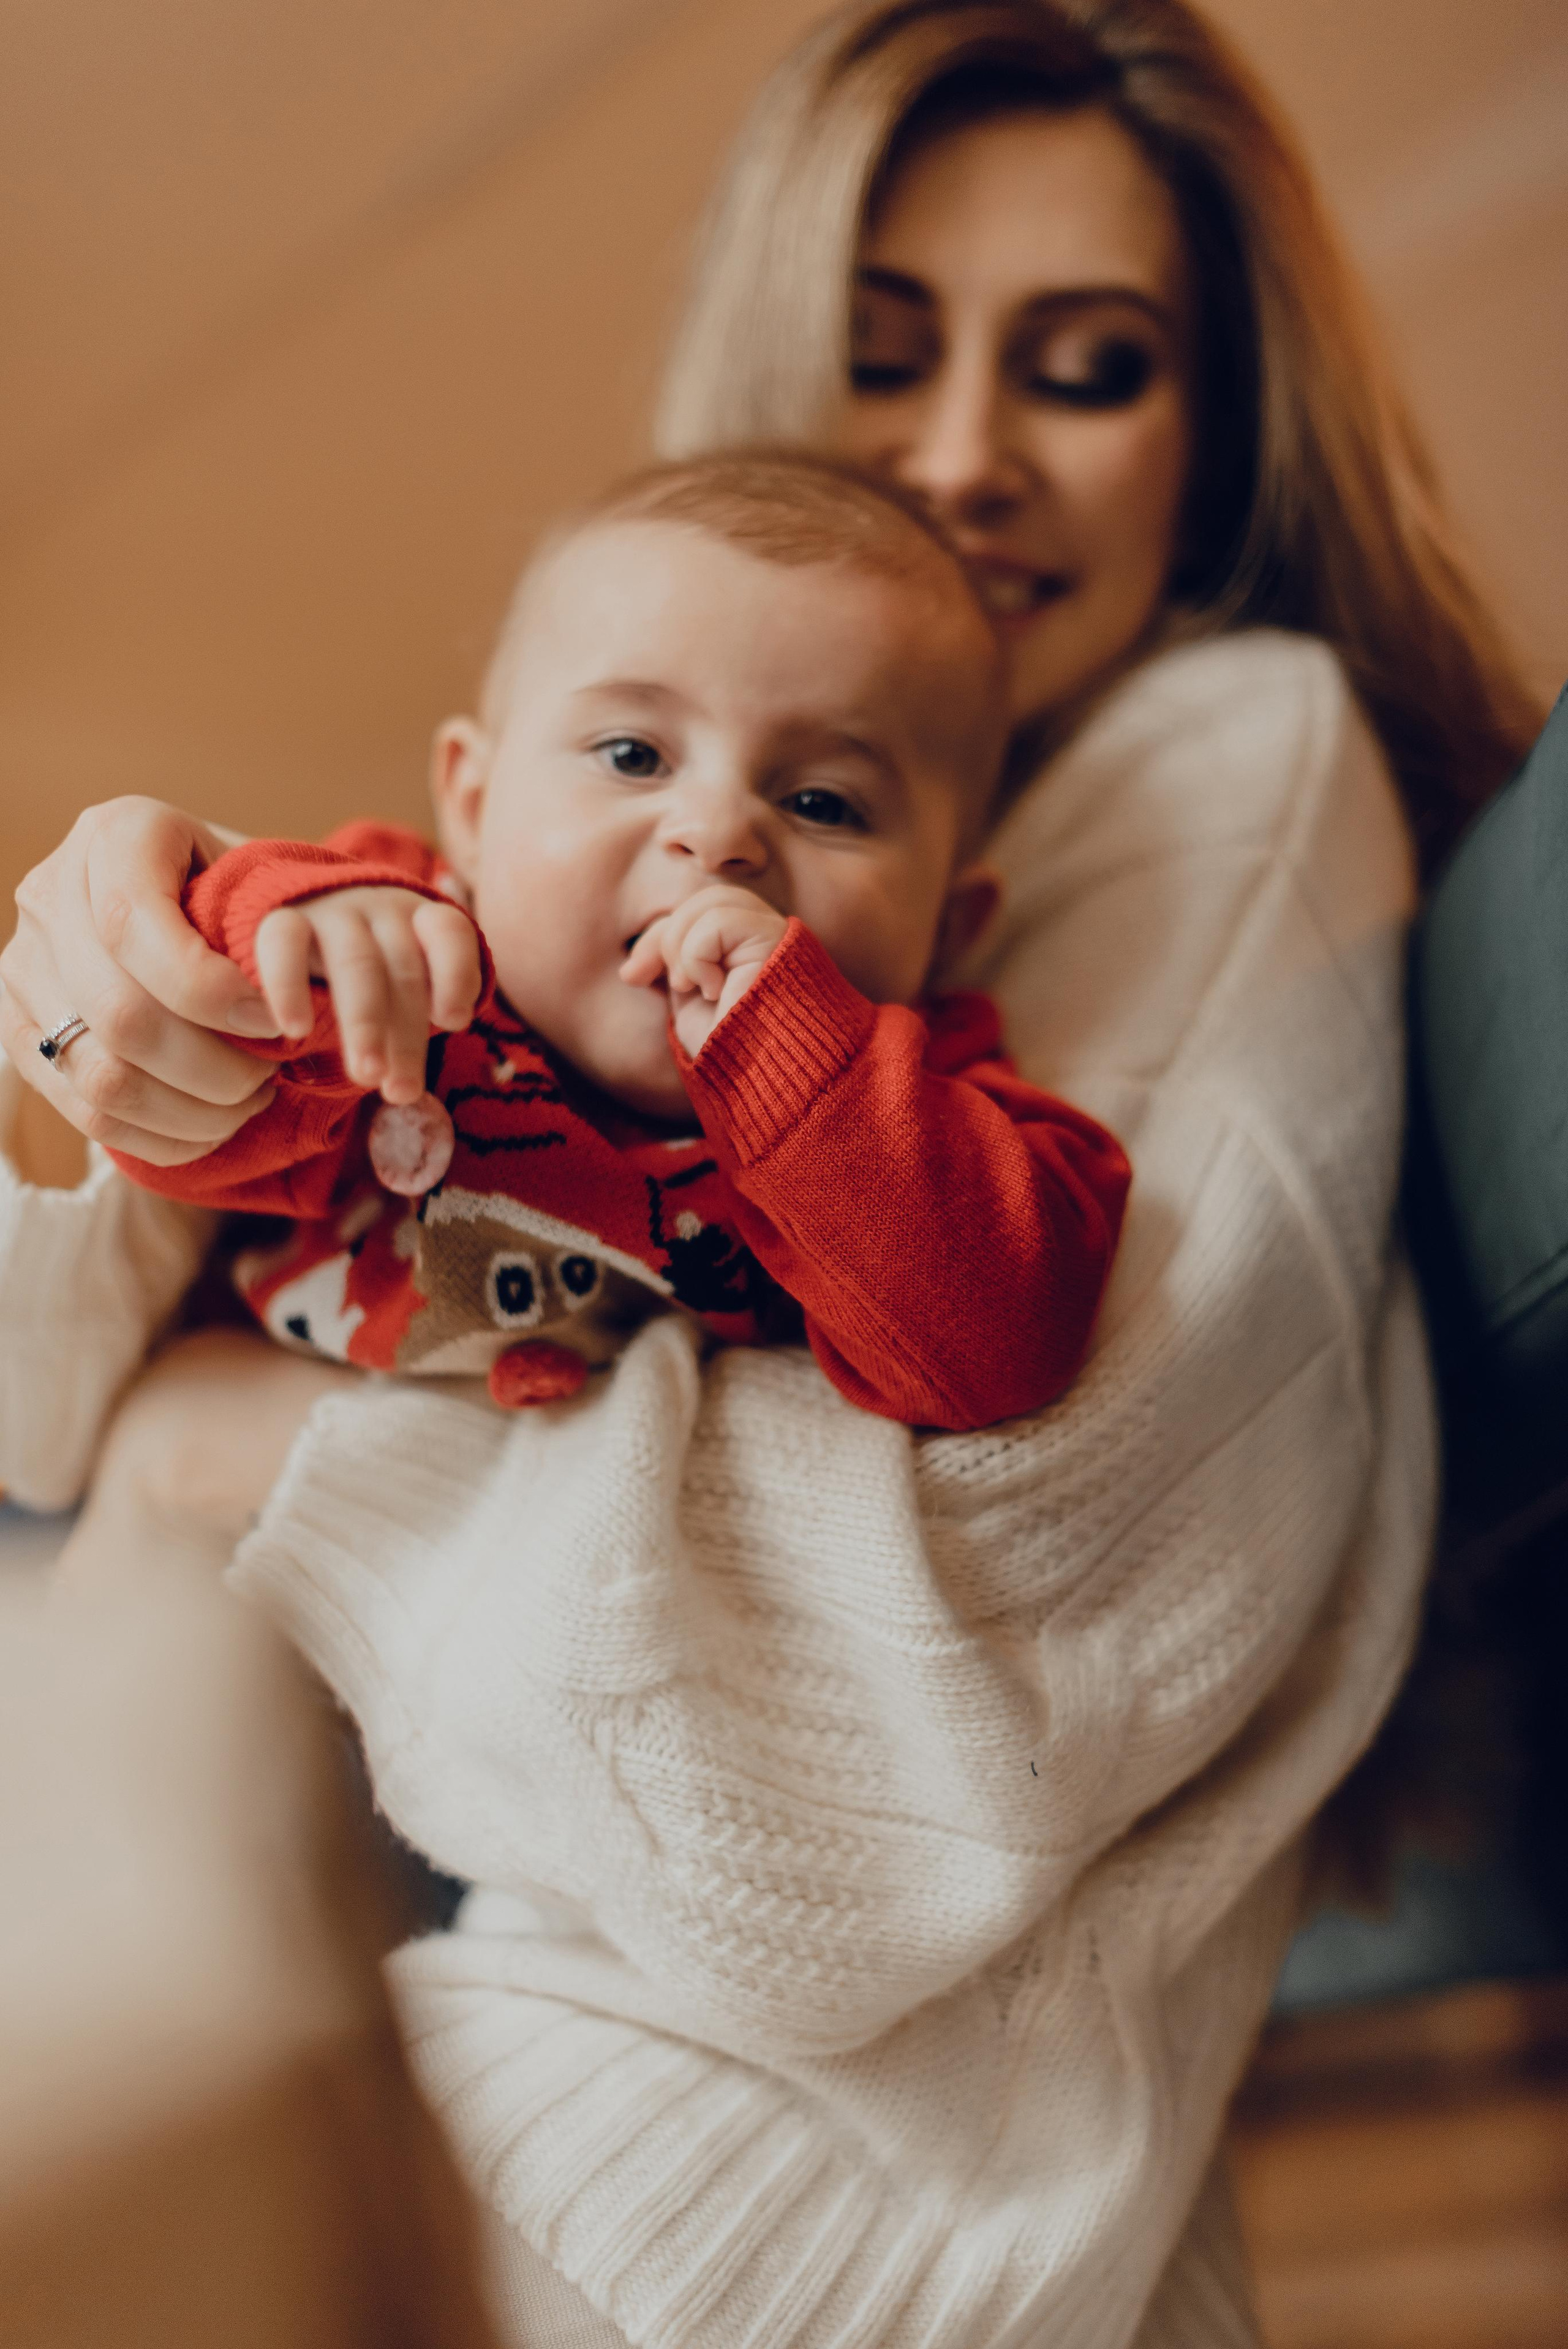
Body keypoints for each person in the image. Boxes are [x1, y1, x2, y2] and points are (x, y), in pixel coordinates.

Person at [0, 4, 1542, 2345]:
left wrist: (248, 1460)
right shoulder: (462, 952)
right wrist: (177, 952)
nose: (965, 457)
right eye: (879, 349)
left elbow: (876, 1688)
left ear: (1223, 441)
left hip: (715, 2203)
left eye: (1088, 368)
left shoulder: (1192, 799)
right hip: (501, 2076)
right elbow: (105, 1321)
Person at [94, 454, 1130, 1435]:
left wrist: (803, 1063)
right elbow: (180, 1120)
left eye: (823, 802)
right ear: (474, 803)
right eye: (634, 754)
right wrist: (266, 953)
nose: (719, 834)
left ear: (946, 928)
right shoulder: (397, 942)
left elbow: (1007, 1346)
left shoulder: (936, 1105)